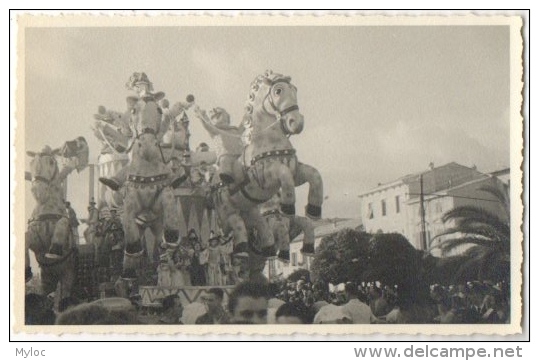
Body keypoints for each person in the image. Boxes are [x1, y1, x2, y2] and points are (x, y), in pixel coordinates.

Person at [194, 106, 244, 185]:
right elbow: (207, 124)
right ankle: (226, 183)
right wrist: (202, 116)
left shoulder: (234, 129)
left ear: (227, 116)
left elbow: (243, 125)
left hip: (241, 154)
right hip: (226, 156)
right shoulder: (214, 130)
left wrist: (248, 115)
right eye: (213, 116)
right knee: (225, 164)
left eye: (219, 112)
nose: (214, 110)